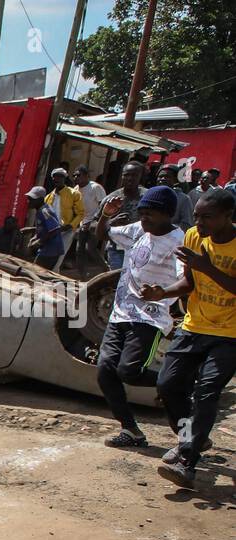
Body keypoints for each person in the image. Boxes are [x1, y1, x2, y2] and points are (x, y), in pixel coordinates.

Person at [143, 187, 236, 489]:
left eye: (207, 217)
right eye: (196, 215)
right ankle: (191, 439)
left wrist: (207, 267)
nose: (199, 223)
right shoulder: (194, 237)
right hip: (194, 326)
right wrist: (163, 293)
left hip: (229, 334)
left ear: (227, 216)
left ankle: (187, 462)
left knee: (206, 393)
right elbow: (189, 281)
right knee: (167, 385)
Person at [93, 186, 185, 448]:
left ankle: (186, 426)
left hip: (150, 317)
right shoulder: (137, 231)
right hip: (121, 313)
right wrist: (105, 215)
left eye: (150, 214)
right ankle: (131, 430)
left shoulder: (178, 241)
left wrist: (162, 293)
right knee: (105, 372)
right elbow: (102, 234)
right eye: (142, 212)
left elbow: (186, 279)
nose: (144, 218)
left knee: (129, 371)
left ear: (167, 214)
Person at [101, 161, 146, 270]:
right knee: (117, 282)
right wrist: (111, 222)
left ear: (141, 176)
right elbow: (94, 226)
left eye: (134, 175)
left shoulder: (148, 197)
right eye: (126, 175)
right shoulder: (111, 199)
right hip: (116, 250)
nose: (130, 178)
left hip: (142, 249)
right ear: (122, 176)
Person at [72, 166, 106, 269]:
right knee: (79, 250)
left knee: (90, 248)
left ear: (86, 176)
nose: (76, 178)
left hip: (95, 223)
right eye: (74, 175)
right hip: (83, 223)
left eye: (78, 175)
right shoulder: (76, 189)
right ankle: (81, 275)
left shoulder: (95, 187)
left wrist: (93, 220)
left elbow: (103, 205)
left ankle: (105, 268)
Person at [24, 186, 64, 269]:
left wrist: (38, 241)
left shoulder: (45, 211)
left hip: (51, 250)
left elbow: (55, 229)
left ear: (40, 199)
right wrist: (32, 231)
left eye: (31, 199)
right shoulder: (41, 210)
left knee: (37, 272)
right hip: (48, 249)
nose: (29, 202)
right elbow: (46, 228)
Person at [44, 167, 84, 237]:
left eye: (60, 176)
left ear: (64, 179)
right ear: (52, 179)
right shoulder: (48, 197)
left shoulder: (74, 194)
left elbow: (80, 214)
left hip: (66, 232)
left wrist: (70, 226)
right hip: (50, 232)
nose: (57, 179)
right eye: (55, 177)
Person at [157, 163, 194, 230]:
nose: (162, 179)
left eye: (167, 176)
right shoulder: (149, 194)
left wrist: (166, 230)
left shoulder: (184, 199)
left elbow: (187, 224)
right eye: (160, 176)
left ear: (175, 180)